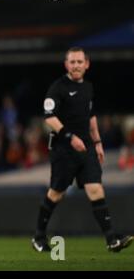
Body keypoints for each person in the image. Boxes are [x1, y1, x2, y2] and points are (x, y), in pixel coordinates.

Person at [31, 47, 133, 252]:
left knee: (95, 188)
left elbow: (91, 116)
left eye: (80, 62)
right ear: (66, 65)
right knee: (56, 193)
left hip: (86, 147)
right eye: (72, 62)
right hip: (63, 149)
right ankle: (38, 237)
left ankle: (111, 239)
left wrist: (97, 142)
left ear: (87, 64)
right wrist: (70, 137)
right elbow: (49, 117)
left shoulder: (88, 87)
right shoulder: (57, 88)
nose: (76, 65)